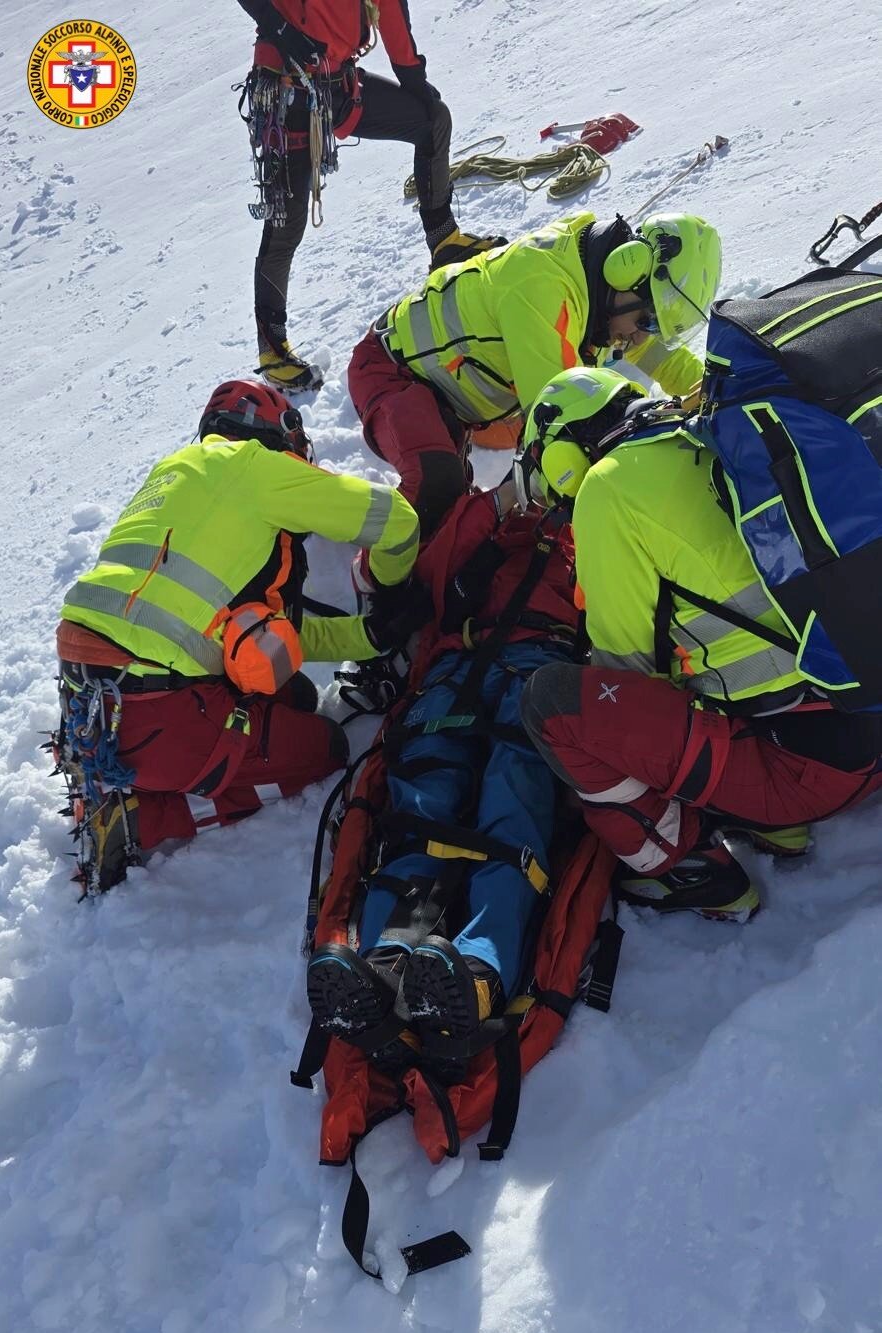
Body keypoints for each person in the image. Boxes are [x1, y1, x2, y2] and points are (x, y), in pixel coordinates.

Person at [515, 367, 882, 920]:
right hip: (861, 714)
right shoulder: (711, 431)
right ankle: (773, 825)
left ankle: (692, 872)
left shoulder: (607, 488)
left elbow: (630, 672)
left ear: (561, 454)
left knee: (554, 705)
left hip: (812, 774)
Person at [55, 380, 427, 893]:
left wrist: (366, 636)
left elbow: (262, 635)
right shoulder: (259, 467)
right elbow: (397, 520)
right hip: (160, 710)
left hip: (88, 697)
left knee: (293, 693)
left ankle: (116, 770)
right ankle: (144, 816)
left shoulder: (173, 475)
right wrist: (389, 585)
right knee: (325, 750)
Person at [306, 473, 581, 1044]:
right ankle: (388, 959)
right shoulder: (491, 523)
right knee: (423, 815)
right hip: (461, 671)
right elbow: (434, 574)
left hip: (536, 671)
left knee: (511, 809)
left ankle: (479, 969)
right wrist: (502, 502)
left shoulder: (602, 528)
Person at [348, 210, 721, 539]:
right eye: (648, 321)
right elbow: (558, 426)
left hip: (461, 395)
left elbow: (669, 363)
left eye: (655, 327)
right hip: (390, 373)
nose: (641, 336)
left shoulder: (607, 294)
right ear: (625, 269)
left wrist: (722, 393)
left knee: (495, 495)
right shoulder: (543, 290)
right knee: (438, 489)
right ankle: (374, 578)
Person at [235, 0, 503, 391]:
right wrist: (283, 31)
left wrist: (417, 86)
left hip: (336, 89)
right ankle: (272, 350)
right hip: (285, 94)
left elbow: (393, 20)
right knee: (285, 228)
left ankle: (445, 241)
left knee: (433, 122)